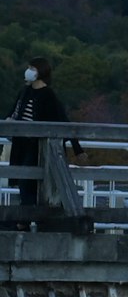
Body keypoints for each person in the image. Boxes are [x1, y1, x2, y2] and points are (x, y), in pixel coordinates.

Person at [8, 61, 66, 210]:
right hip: (21, 143)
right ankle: (24, 219)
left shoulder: (48, 94)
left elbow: (59, 119)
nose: (28, 71)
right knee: (22, 180)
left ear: (41, 72)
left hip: (36, 145)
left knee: (28, 180)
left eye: (32, 68)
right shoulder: (25, 91)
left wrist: (76, 147)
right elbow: (15, 111)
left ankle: (25, 218)